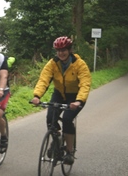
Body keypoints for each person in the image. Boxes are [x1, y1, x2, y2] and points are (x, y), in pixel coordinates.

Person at [31, 36, 91, 165]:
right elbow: (44, 80)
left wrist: (79, 101)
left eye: (63, 50)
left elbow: (85, 84)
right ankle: (56, 139)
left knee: (67, 120)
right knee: (50, 118)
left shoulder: (79, 64)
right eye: (58, 50)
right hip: (59, 94)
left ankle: (69, 152)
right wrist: (37, 96)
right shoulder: (53, 63)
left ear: (69, 50)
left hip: (75, 97)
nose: (61, 53)